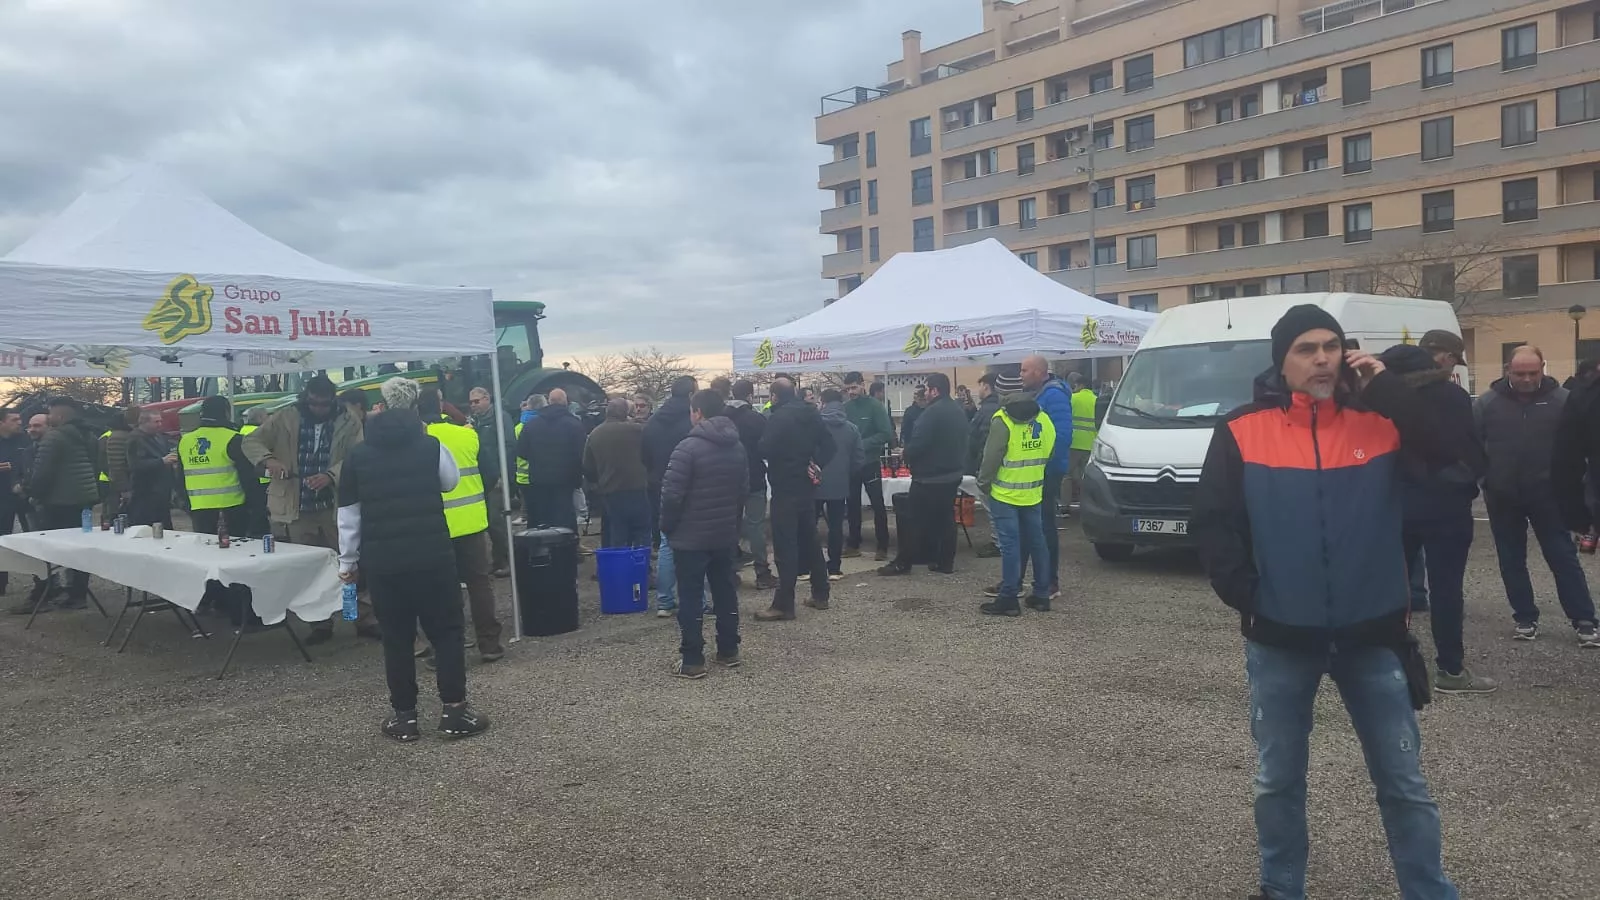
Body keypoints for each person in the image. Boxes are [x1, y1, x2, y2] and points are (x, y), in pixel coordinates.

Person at [1192, 304, 1458, 900]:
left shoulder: (1379, 421)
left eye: (1331, 347)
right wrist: (1251, 598)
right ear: (1281, 363)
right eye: (1306, 348)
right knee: (1278, 782)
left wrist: (1386, 387)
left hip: (1374, 636)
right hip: (1281, 637)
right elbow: (1213, 524)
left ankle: (1429, 891)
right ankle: (1281, 889)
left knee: (1403, 782)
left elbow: (1454, 453)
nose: (1321, 358)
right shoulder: (1241, 430)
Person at [338, 378, 488, 742]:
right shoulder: (431, 445)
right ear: (417, 405)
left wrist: (348, 562)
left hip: (385, 560)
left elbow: (348, 515)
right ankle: (454, 711)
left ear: (381, 405)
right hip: (433, 554)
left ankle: (404, 717)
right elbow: (450, 483)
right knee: (447, 632)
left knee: (397, 637)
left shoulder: (357, 455)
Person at [1378, 335, 1497, 692]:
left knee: (1391, 587)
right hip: (1446, 505)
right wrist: (1467, 481)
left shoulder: (1378, 399)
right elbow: (1471, 448)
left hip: (1395, 503)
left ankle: (1388, 663)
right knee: (1447, 588)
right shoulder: (1452, 396)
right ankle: (1450, 668)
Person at [1478, 345, 1600, 648]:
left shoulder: (1564, 401)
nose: (1527, 379)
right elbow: (1473, 443)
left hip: (1550, 495)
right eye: (1520, 373)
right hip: (1503, 495)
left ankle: (1584, 619)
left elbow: (1581, 444)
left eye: (1533, 372)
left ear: (1543, 367)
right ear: (1508, 369)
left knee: (1562, 557)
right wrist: (1486, 479)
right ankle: (1525, 618)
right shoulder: (1487, 403)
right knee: (1511, 559)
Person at [243, 374, 378, 644]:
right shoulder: (285, 417)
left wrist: (331, 475)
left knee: (349, 565)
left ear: (333, 401)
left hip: (335, 507)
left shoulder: (348, 419)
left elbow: (356, 456)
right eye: (313, 404)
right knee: (310, 570)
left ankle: (359, 617)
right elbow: (250, 442)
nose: (319, 409)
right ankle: (320, 623)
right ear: (306, 399)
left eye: (324, 404)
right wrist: (269, 461)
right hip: (297, 506)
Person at [659, 389, 748, 678]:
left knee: (690, 595)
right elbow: (742, 491)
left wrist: (667, 526)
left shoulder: (687, 448)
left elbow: (672, 495)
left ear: (697, 412)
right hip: (723, 533)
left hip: (691, 536)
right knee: (725, 593)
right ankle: (728, 650)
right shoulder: (737, 446)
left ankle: (692, 658)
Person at [418, 388, 504, 663]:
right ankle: (489, 644)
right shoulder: (468, 434)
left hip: (435, 527)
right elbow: (490, 475)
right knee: (480, 585)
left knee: (442, 589)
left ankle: (449, 648)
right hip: (472, 522)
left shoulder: (419, 439)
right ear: (442, 405)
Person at [757, 374, 835, 621]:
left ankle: (783, 605)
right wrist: (814, 463)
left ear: (774, 397)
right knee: (810, 540)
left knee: (785, 546)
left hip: (784, 486)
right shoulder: (812, 414)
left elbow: (765, 449)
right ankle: (821, 594)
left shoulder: (778, 417)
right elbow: (830, 446)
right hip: (806, 485)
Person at [878, 373, 968, 577]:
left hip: (929, 477)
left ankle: (903, 562)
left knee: (912, 520)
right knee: (946, 519)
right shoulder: (957, 410)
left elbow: (919, 443)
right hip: (952, 473)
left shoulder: (931, 413)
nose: (924, 393)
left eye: (926, 389)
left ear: (935, 390)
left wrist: (906, 452)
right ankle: (945, 562)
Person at [976, 386, 1055, 616]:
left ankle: (1009, 597)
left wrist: (984, 483)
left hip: (1004, 493)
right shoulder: (1043, 417)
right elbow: (1049, 450)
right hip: (1032, 491)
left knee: (1010, 546)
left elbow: (991, 456)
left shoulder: (1003, 420)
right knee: (1038, 542)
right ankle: (1041, 595)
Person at [23, 398, 101, 612]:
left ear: (60, 416)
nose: (48, 416)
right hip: (84, 498)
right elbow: (95, 465)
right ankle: (78, 594)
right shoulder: (89, 435)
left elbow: (42, 473)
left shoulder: (54, 437)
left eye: (50, 413)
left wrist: (33, 495)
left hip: (59, 501)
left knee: (49, 547)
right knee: (79, 546)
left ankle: (48, 591)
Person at [642, 376, 696, 616]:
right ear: (692, 393)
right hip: (691, 484)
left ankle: (664, 601)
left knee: (666, 542)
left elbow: (644, 455)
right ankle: (698, 600)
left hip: (659, 484)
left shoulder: (653, 421)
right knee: (697, 542)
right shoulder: (693, 420)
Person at [1021, 355, 1073, 599]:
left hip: (1047, 471)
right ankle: (1017, 579)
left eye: (1024, 370)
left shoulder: (1054, 395)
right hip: (1034, 470)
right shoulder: (1040, 394)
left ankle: (1050, 582)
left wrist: (1043, 463)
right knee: (1028, 524)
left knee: (1043, 524)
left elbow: (1062, 436)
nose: (1020, 374)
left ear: (1040, 372)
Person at [724, 378, 775, 589]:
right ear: (750, 396)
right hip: (753, 477)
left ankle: (729, 572)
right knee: (755, 526)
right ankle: (762, 572)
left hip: (727, 479)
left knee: (729, 526)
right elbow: (767, 447)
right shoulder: (756, 419)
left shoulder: (721, 417)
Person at [179, 396, 252, 538]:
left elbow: (179, 478)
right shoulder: (234, 438)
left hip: (198, 507)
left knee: (206, 551)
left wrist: (186, 504)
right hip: (232, 506)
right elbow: (247, 476)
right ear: (226, 412)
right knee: (236, 549)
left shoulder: (185, 440)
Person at [516, 387, 586, 531]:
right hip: (566, 481)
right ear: (565, 402)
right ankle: (566, 550)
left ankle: (541, 551)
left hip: (538, 480)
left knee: (539, 519)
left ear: (549, 402)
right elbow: (582, 454)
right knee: (565, 520)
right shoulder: (574, 425)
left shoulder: (531, 425)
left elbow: (521, 452)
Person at [584, 398, 651, 548]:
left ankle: (619, 566)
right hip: (638, 489)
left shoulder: (595, 434)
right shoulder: (638, 430)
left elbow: (588, 467)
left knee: (617, 532)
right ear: (626, 413)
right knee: (642, 530)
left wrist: (598, 483)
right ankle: (641, 565)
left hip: (611, 491)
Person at [843, 372, 893, 562]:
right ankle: (853, 543)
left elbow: (886, 433)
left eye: (854, 388)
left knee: (877, 504)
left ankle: (882, 545)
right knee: (853, 504)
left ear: (863, 385)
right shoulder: (846, 407)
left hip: (870, 462)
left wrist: (861, 444)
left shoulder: (875, 407)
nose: (851, 392)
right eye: (847, 389)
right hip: (851, 464)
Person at [816, 389, 864, 581]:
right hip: (840, 484)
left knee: (809, 526)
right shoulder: (851, 428)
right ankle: (834, 568)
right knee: (836, 527)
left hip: (814, 484)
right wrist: (846, 474)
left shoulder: (813, 426)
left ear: (823, 403)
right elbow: (859, 459)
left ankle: (807, 567)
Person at [467, 386, 515, 576]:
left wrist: (504, 475)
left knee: (496, 521)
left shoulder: (500, 418)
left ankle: (506, 561)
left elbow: (509, 446)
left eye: (476, 401)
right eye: (471, 402)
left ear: (487, 399)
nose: (473, 405)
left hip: (496, 477)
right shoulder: (474, 422)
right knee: (486, 521)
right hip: (481, 478)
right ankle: (497, 560)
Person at [966, 373, 1004, 560]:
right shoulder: (1000, 407)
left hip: (987, 464)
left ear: (987, 387)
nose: (977, 390)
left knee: (992, 505)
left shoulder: (987, 410)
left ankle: (999, 542)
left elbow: (976, 439)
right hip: (1004, 467)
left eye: (979, 386)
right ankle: (1003, 540)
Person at [0, 408, 31, 596]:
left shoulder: (25, 441)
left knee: (32, 538)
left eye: (20, 419)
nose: (19, 422)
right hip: (1, 500)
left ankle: (44, 583)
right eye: (14, 420)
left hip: (23, 498)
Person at [1066, 371, 1097, 511]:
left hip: (1073, 442)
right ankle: (1088, 504)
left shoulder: (1072, 398)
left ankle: (1065, 505)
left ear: (1081, 385)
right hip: (1090, 444)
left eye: (1076, 385)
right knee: (1087, 477)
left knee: (1067, 475)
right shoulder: (1096, 400)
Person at [100, 408, 136, 519]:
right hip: (117, 483)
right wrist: (124, 489)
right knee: (117, 514)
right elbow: (117, 465)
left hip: (111, 480)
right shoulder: (120, 436)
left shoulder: (113, 435)